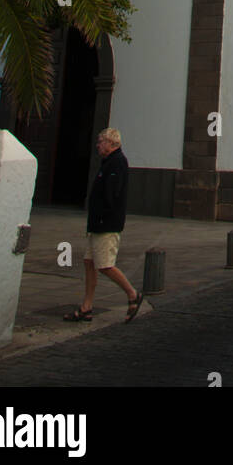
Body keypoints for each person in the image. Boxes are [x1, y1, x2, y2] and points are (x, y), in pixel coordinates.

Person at [63, 128, 143, 324]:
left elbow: (111, 195)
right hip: (97, 224)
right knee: (89, 263)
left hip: (106, 224)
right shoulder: (108, 162)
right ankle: (86, 308)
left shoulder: (117, 162)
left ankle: (133, 294)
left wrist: (102, 217)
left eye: (101, 142)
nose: (98, 145)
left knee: (105, 265)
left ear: (112, 143)